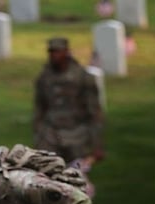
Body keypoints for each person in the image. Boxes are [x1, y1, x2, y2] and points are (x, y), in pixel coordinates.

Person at [33, 37, 104, 167]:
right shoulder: (44, 78)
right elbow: (40, 107)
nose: (54, 55)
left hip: (77, 133)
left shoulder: (82, 77)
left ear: (66, 52)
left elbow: (94, 111)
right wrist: (38, 133)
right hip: (51, 134)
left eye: (58, 52)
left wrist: (96, 144)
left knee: (77, 174)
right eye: (51, 52)